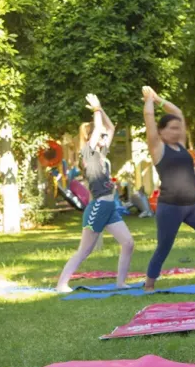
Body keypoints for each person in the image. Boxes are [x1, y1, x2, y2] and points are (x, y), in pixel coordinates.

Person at [142, 86, 195, 291]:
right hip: (170, 207)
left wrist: (158, 98)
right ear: (161, 131)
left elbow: (178, 113)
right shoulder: (157, 148)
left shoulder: (181, 145)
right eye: (172, 128)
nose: (177, 131)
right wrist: (148, 100)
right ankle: (149, 285)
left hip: (194, 206)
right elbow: (149, 118)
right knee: (164, 247)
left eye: (178, 128)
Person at [55, 94, 135, 292]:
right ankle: (61, 284)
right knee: (84, 250)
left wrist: (101, 109)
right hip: (98, 206)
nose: (104, 138)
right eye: (100, 137)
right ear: (92, 138)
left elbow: (110, 128)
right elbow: (99, 128)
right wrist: (96, 109)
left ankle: (121, 283)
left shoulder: (101, 155)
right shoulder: (88, 154)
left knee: (128, 243)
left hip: (110, 207)